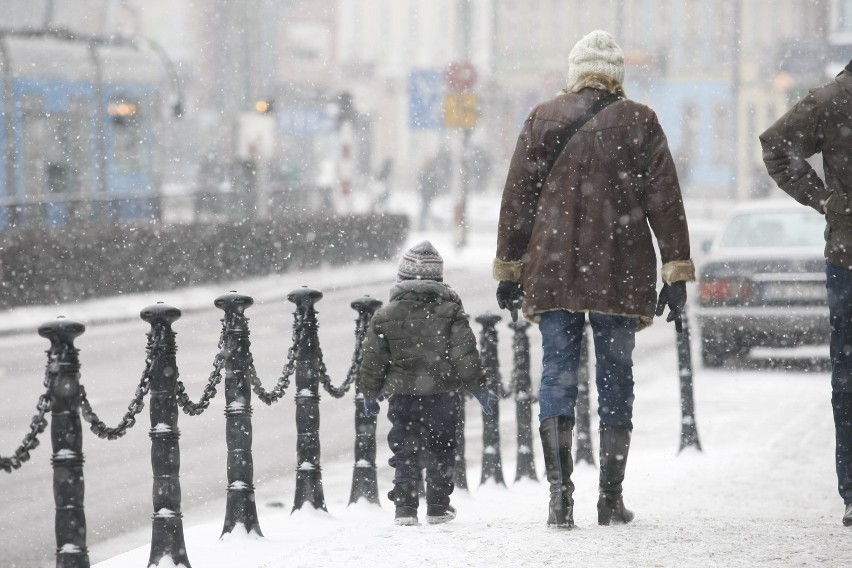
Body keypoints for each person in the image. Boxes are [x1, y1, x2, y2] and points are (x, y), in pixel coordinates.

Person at [493, 30, 694, 529]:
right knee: (615, 378)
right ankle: (609, 498)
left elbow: (517, 199)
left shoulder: (543, 118)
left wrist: (510, 267)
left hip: (554, 268)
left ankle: (560, 499)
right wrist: (675, 271)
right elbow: (665, 202)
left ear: (575, 70)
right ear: (616, 74)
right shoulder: (640, 121)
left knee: (557, 372)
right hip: (619, 271)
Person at [759, 61, 852, 528]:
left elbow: (775, 147)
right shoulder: (833, 101)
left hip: (847, 257)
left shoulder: (831, 100)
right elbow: (775, 146)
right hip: (849, 260)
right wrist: (825, 201)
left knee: (848, 378)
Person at [358, 241, 497, 526]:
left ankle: (405, 508)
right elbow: (465, 355)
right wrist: (479, 388)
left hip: (403, 397)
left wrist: (369, 393)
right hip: (443, 395)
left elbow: (373, 359)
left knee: (405, 449)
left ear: (402, 279)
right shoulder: (451, 311)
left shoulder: (385, 314)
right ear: (439, 279)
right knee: (441, 448)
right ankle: (437, 506)